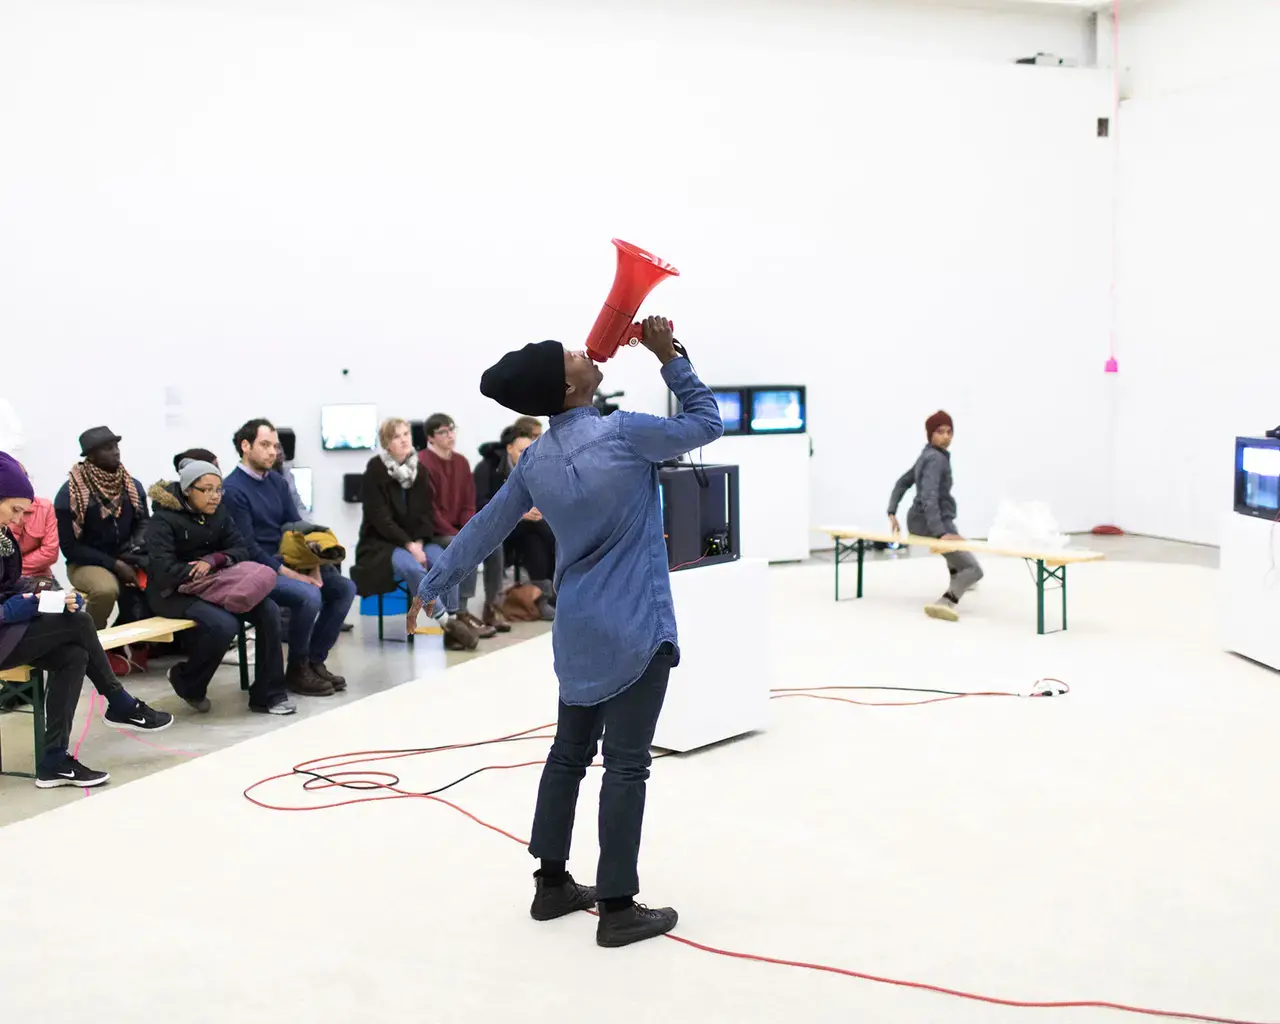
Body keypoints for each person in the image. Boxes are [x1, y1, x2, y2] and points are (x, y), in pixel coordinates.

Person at [409, 317, 722, 948]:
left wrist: (435, 581)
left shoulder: (536, 461)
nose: (586, 349)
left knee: (568, 755)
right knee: (627, 766)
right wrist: (670, 357)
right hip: (637, 624)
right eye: (572, 355)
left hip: (579, 631)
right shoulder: (625, 433)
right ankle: (617, 907)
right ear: (569, 389)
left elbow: (485, 527)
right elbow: (706, 423)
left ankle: (552, 884)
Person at [0, 453, 173, 788]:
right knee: (78, 623)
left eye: (24, 511)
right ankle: (120, 702)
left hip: (6, 631)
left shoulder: (3, 538)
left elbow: (7, 586)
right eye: (14, 510)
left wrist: (45, 593)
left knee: (74, 655)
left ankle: (54, 761)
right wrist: (14, 609)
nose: (20, 520)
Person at [146, 459, 294, 715]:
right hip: (174, 592)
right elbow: (164, 570)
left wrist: (212, 561)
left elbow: (240, 549)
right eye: (207, 490)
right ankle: (188, 681)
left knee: (268, 610)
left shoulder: (220, 513)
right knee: (223, 624)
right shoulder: (163, 520)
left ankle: (267, 694)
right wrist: (199, 571)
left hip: (218, 585)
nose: (215, 496)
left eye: (218, 489)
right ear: (188, 490)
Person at [223, 418, 355, 696]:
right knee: (309, 596)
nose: (273, 452)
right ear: (245, 446)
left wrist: (313, 567)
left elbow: (297, 526)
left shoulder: (277, 481)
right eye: (265, 445)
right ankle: (296, 669)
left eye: (275, 446)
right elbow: (248, 548)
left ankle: (314, 661)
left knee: (344, 588)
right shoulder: (233, 490)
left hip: (289, 560)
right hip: (257, 569)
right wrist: (292, 574)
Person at [351, 418, 479, 650]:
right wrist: (409, 545)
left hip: (417, 538)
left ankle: (452, 625)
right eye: (396, 436)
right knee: (412, 568)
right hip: (383, 543)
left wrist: (418, 541)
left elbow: (425, 512)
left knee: (447, 560)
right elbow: (380, 518)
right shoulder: (375, 469)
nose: (403, 440)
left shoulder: (418, 469)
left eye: (406, 435)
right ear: (387, 444)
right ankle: (446, 621)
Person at [887, 409, 983, 621]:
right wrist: (941, 533)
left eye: (949, 432)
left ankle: (958, 579)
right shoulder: (936, 460)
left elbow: (902, 482)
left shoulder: (927, 455)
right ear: (930, 434)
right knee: (974, 569)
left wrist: (892, 510)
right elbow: (929, 497)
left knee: (959, 559)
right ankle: (947, 600)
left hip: (921, 520)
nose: (946, 437)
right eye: (940, 432)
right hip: (931, 522)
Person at [54, 426, 151, 629]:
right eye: (107, 448)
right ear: (91, 455)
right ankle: (90, 640)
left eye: (116, 445)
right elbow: (70, 548)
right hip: (85, 563)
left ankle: (134, 647)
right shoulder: (71, 495)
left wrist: (131, 552)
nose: (116, 451)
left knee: (157, 580)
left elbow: (144, 523)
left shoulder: (132, 486)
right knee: (106, 589)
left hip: (127, 555)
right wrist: (115, 564)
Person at [418, 413, 496, 640]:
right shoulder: (423, 462)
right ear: (431, 438)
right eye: (443, 432)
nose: (450, 435)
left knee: (493, 543)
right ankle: (460, 612)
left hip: (457, 529)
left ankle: (492, 605)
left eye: (452, 430)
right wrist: (459, 534)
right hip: (435, 532)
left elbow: (468, 502)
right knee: (463, 545)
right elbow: (429, 510)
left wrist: (468, 528)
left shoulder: (461, 462)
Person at [475, 423, 556, 619]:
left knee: (538, 541)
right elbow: (482, 504)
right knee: (547, 532)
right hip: (497, 527)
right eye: (521, 451)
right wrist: (519, 513)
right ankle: (551, 595)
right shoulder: (487, 468)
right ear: (509, 448)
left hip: (526, 527)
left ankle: (543, 597)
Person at [9, 481, 59, 579]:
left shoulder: (44, 507)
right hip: (5, 579)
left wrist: (13, 568)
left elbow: (50, 552)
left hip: (37, 576)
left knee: (58, 594)